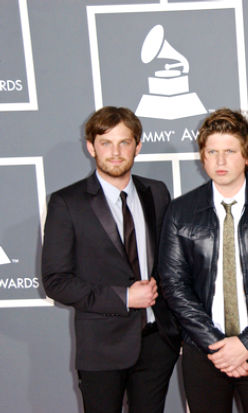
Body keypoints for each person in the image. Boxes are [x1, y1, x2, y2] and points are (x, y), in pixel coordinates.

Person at [158, 108, 248, 413]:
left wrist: (247, 343)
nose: (220, 161)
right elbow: (174, 284)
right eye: (212, 151)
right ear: (202, 156)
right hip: (204, 350)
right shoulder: (180, 212)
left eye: (229, 151)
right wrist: (217, 345)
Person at [42, 106, 180, 413]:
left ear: (138, 146)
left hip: (157, 342)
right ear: (91, 147)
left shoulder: (156, 192)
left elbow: (169, 263)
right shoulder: (67, 203)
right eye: (106, 142)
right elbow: (56, 282)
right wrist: (124, 297)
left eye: (124, 142)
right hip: (101, 347)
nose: (115, 152)